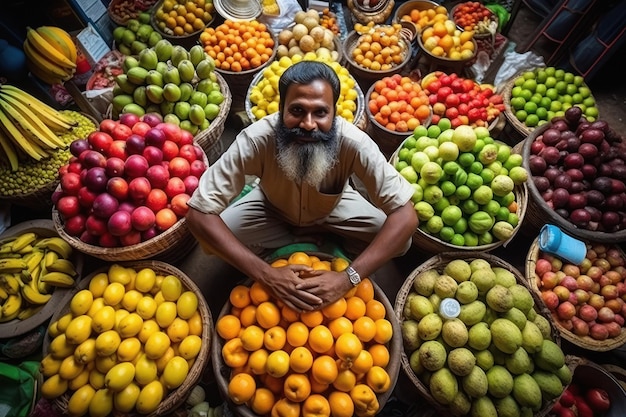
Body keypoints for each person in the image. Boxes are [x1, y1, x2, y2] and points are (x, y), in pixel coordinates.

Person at [186, 60, 418, 312]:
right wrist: (266, 274)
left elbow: (406, 216)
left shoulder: (354, 142)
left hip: (334, 210)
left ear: (334, 113)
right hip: (270, 208)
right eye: (297, 111)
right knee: (209, 241)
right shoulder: (256, 139)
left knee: (401, 242)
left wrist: (348, 278)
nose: (308, 124)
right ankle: (306, 239)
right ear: (281, 109)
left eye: (320, 112)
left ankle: (309, 237)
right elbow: (198, 214)